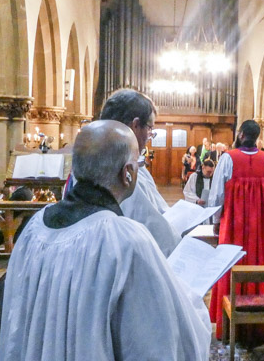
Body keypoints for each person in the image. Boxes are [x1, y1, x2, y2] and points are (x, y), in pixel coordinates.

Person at [0, 120, 210, 361]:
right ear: (128, 173)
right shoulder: (123, 239)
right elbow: (163, 360)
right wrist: (191, 305)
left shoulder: (34, 229)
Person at [64, 89, 180, 256]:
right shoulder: (123, 171)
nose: (149, 136)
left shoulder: (89, 157)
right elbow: (158, 238)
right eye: (150, 128)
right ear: (135, 125)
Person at [208, 120, 264, 347]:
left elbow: (217, 195)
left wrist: (215, 221)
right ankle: (259, 328)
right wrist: (260, 193)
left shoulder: (227, 159)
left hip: (233, 226)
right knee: (259, 265)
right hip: (259, 228)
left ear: (240, 135)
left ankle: (229, 326)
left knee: (231, 267)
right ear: (257, 137)